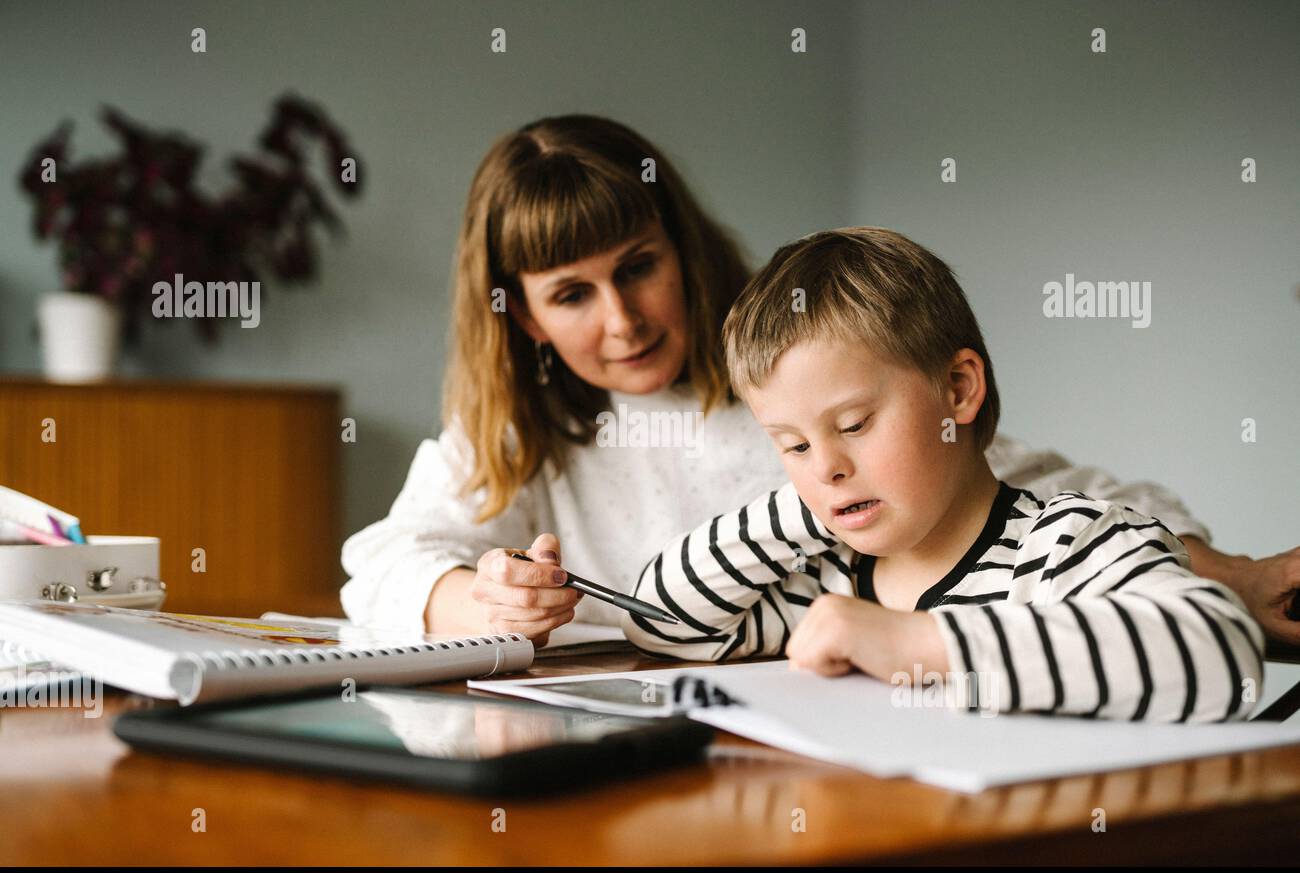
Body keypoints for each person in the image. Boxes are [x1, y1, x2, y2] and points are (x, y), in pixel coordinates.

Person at [340, 115, 1300, 650]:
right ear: (522, 314)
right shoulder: (516, 435)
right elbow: (379, 565)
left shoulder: (785, 383)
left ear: (683, 248)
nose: (621, 320)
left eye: (638, 267)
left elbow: (1027, 500)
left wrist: (1219, 573)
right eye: (572, 294)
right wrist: (478, 599)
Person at [621, 227, 1262, 722]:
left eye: (852, 425)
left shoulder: (1067, 546)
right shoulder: (827, 579)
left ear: (958, 389)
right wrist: (806, 504)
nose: (827, 465)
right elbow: (656, 619)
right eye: (790, 444)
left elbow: (1221, 653)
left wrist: (921, 643)